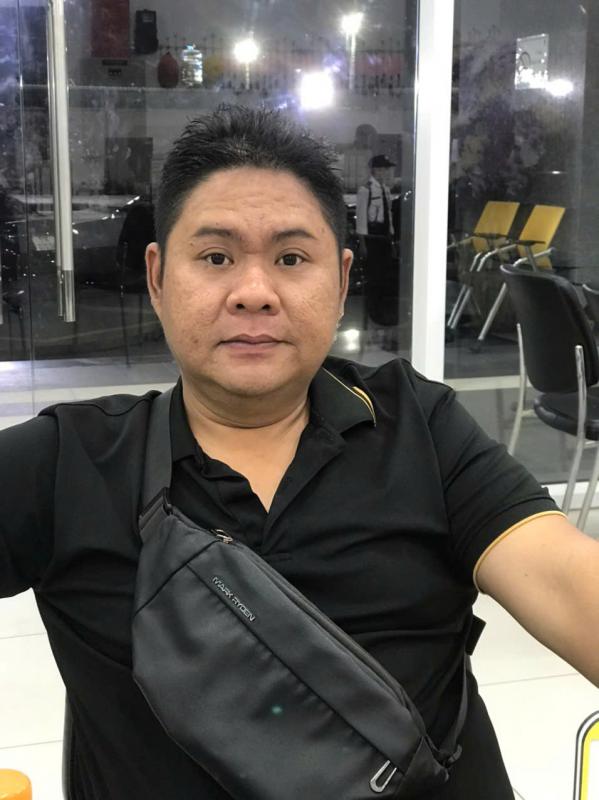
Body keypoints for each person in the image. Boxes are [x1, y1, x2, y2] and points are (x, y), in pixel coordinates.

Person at [0, 105, 597, 800]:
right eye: (216, 257)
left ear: (340, 282)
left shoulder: (419, 427)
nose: (254, 294)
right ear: (158, 278)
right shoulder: (69, 463)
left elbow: (564, 579)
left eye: (290, 258)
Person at [356, 153, 398, 326]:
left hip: (384, 238)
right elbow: (361, 218)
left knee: (384, 276)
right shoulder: (365, 190)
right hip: (372, 238)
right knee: (373, 277)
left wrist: (391, 239)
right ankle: (373, 311)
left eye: (385, 170)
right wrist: (363, 243)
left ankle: (383, 311)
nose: (383, 173)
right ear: (373, 170)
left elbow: (389, 215)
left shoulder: (385, 190)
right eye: (380, 169)